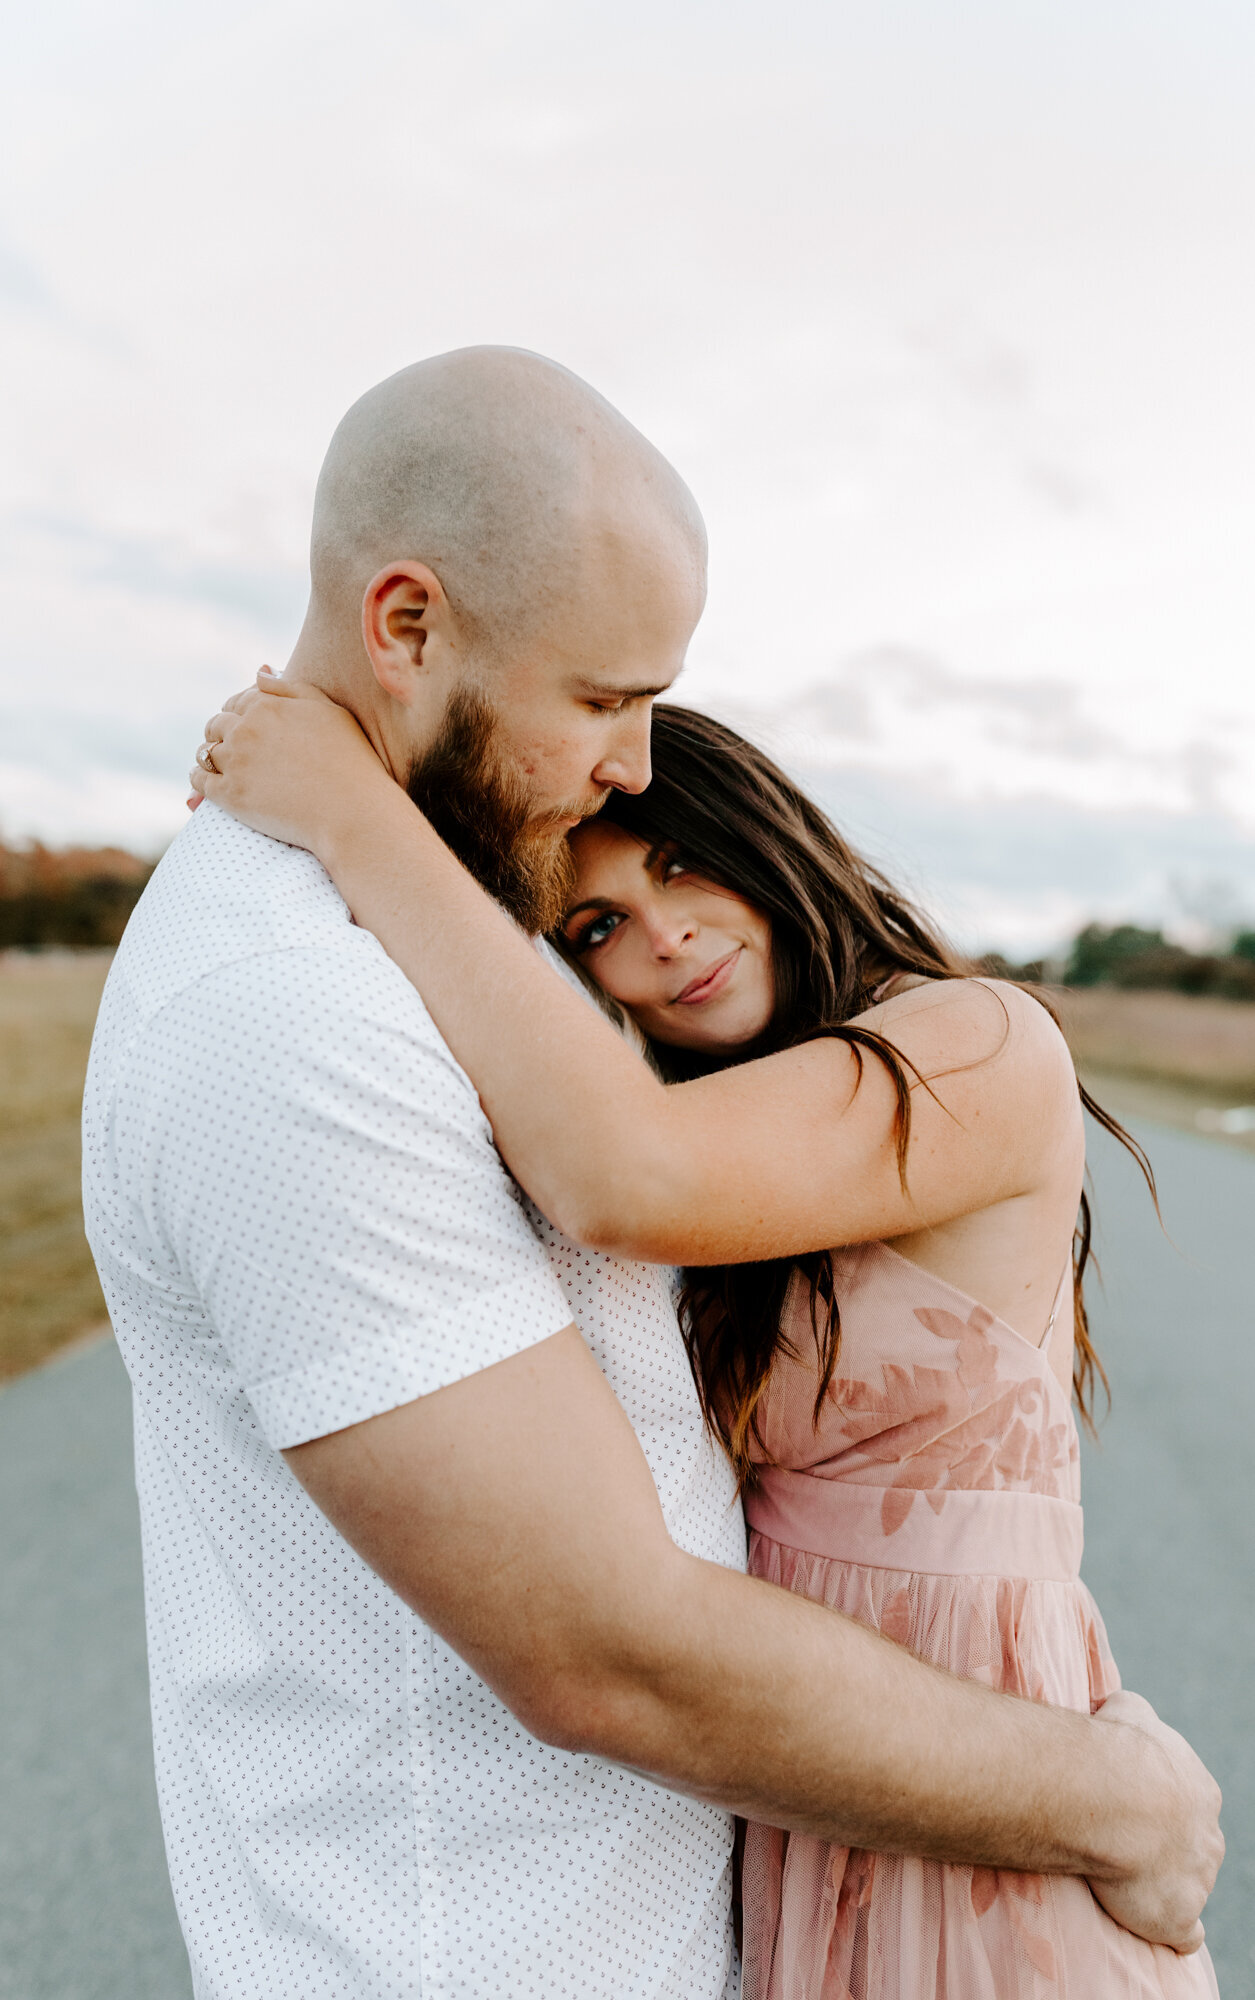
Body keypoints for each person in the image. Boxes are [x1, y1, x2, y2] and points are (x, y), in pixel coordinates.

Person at [85, 348, 1220, 2000]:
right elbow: (598, 1632)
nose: (634, 760)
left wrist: (350, 809)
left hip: (934, 1790)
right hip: (726, 1863)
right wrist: (1106, 1804)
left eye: (664, 748)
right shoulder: (296, 999)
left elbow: (622, 1171)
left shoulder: (966, 1047)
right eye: (608, 698)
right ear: (408, 627)